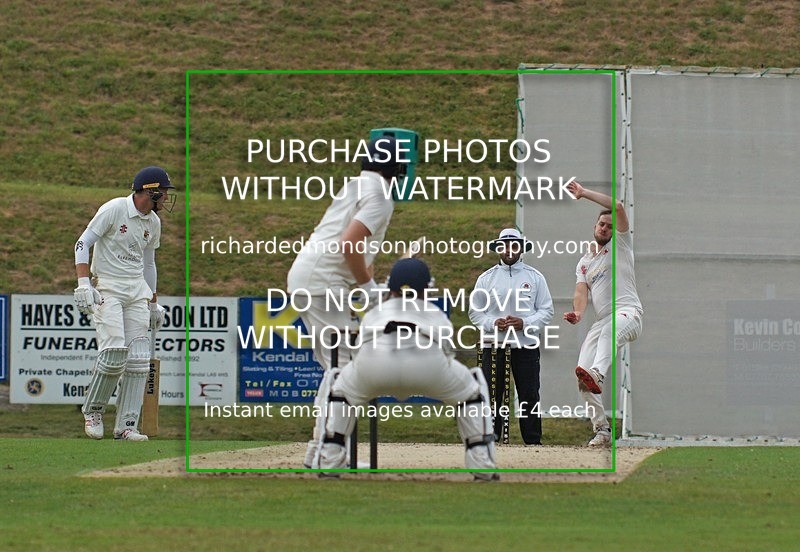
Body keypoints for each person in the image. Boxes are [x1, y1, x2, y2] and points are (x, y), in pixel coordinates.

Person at [313, 258, 498, 480]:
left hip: (374, 362)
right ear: (427, 288)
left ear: (390, 286)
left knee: (339, 386)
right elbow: (449, 351)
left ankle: (329, 460)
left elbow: (357, 352)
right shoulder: (435, 313)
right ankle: (481, 463)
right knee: (471, 391)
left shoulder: (374, 313)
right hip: (428, 363)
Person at [287, 135, 410, 467]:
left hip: (310, 276)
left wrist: (373, 292)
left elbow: (360, 251)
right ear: (397, 168)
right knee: (346, 367)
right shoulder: (381, 196)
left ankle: (319, 449)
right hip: (322, 280)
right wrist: (370, 290)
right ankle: (328, 451)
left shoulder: (356, 186)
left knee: (338, 366)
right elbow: (350, 242)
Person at [74, 166, 175, 441]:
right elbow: (82, 243)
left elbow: (149, 264)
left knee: (140, 358)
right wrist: (84, 283)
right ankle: (93, 411)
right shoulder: (114, 209)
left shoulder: (153, 223)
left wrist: (153, 302)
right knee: (114, 353)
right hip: (108, 286)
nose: (165, 199)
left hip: (136, 293)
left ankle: (126, 425)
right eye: (162, 194)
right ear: (148, 191)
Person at [562, 180, 643, 446]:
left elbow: (618, 206)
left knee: (595, 367)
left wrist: (584, 193)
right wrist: (578, 313)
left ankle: (599, 372)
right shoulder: (585, 262)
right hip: (602, 321)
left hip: (628, 314)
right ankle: (602, 430)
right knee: (581, 377)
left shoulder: (621, 244)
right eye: (601, 225)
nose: (605, 228)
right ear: (594, 227)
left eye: (609, 226)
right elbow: (581, 292)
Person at [468, 228, 554, 445]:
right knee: (492, 393)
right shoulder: (486, 278)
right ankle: (492, 438)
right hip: (494, 344)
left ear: (521, 248)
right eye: (504, 245)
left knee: (529, 393)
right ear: (498, 248)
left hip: (525, 344)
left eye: (514, 245)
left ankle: (533, 441)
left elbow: (546, 310)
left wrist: (524, 323)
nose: (509, 250)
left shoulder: (534, 277)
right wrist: (492, 323)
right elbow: (475, 311)